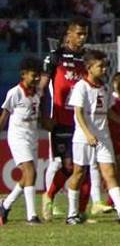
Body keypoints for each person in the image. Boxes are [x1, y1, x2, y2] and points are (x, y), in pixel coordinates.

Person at [66, 50, 120, 224]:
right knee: (79, 173)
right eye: (100, 66)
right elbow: (78, 113)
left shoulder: (104, 88)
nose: (104, 69)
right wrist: (88, 134)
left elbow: (108, 112)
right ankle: (72, 214)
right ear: (89, 68)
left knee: (110, 172)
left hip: (103, 136)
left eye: (105, 65)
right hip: (84, 138)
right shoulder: (81, 87)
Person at [38, 18, 89, 221]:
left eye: (85, 34)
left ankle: (77, 211)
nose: (82, 38)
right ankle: (49, 195)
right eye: (79, 33)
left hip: (82, 121)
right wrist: (44, 116)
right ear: (68, 34)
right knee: (68, 166)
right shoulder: (55, 57)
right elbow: (42, 88)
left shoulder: (86, 59)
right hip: (61, 119)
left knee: (82, 166)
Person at [1, 57, 42, 225]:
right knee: (30, 171)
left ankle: (5, 204)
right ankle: (31, 216)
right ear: (23, 75)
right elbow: (4, 116)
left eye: (38, 75)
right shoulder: (14, 92)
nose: (37, 78)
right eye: (34, 75)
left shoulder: (37, 93)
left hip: (32, 135)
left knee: (29, 176)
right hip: (18, 136)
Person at [99, 72, 120, 215]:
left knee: (119, 168)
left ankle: (112, 201)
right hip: (110, 138)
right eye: (118, 82)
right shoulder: (111, 100)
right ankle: (118, 200)